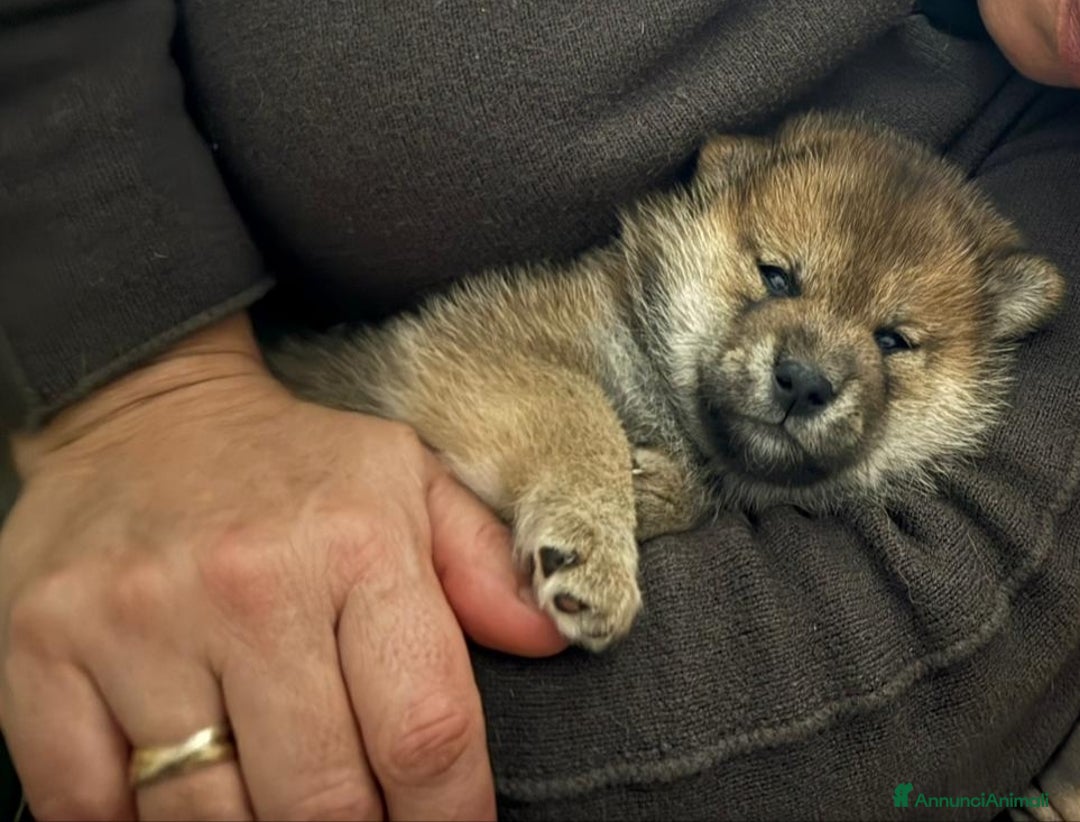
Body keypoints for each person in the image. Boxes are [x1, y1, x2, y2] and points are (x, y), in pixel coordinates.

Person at [0, 0, 1078, 819]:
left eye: (896, 344)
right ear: (716, 202)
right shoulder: (611, 308)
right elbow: (483, 361)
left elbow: (893, 703)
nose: (812, 362)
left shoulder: (1038, 188)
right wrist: (139, 396)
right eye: (777, 279)